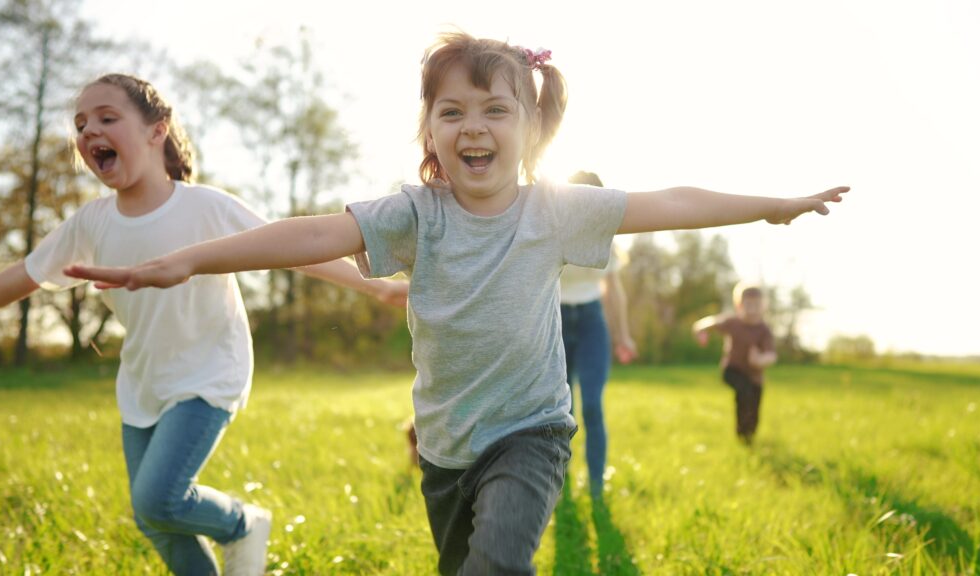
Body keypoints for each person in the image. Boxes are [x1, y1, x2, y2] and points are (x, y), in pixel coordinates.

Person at [63, 33, 847, 575]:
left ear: (533, 129)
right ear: (429, 133)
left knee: (501, 560)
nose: (474, 127)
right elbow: (304, 235)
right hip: (443, 447)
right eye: (452, 112)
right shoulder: (415, 214)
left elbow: (670, 199)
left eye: (495, 110)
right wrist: (189, 259)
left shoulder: (555, 210)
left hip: (531, 432)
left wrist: (773, 203)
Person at [0, 74, 406, 576]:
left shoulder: (204, 206)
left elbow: (293, 250)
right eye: (80, 125)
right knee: (155, 519)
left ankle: (242, 524)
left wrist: (378, 287)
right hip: (144, 382)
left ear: (156, 131)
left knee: (157, 498)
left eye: (106, 118)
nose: (88, 131)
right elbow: (22, 276)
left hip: (210, 371)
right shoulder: (90, 224)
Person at [560, 170, 637, 498]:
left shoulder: (605, 239)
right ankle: (557, 483)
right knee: (563, 410)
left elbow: (614, 291)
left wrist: (623, 335)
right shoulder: (553, 232)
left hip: (592, 322)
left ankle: (595, 485)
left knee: (592, 404)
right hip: (556, 320)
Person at [692, 282, 776, 445]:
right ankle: (741, 434)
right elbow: (711, 322)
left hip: (755, 377)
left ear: (763, 306)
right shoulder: (733, 323)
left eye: (756, 305)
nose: (752, 309)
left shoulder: (764, 330)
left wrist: (760, 360)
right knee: (744, 392)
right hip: (733, 370)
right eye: (748, 304)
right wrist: (699, 328)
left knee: (753, 407)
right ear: (739, 305)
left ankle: (748, 437)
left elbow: (771, 355)